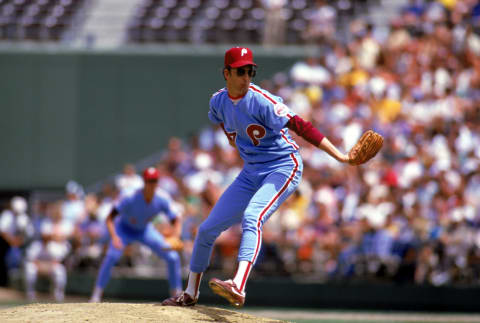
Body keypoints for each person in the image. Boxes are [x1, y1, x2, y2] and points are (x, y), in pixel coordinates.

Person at [162, 47, 352, 308]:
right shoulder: (218, 101)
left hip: (283, 166)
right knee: (206, 230)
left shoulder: (262, 100)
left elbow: (301, 126)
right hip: (251, 171)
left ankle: (238, 285)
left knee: (253, 216)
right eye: (241, 71)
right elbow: (222, 121)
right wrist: (232, 139)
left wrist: (340, 156)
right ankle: (190, 293)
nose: (246, 76)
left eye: (250, 71)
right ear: (226, 73)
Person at [90, 167, 183, 302]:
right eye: (149, 180)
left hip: (144, 230)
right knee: (111, 256)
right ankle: (96, 295)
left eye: (154, 180)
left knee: (173, 257)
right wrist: (115, 237)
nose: (152, 184)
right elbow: (109, 218)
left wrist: (175, 237)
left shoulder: (162, 198)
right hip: (124, 229)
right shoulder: (130, 196)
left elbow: (176, 220)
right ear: (144, 182)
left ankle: (177, 294)